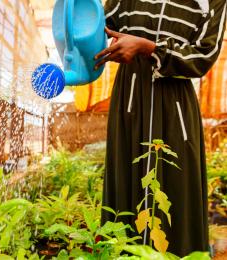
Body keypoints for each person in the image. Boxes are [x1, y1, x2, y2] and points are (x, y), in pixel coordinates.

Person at [96, 0, 227, 256]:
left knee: (176, 189)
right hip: (131, 98)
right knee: (126, 182)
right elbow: (97, 24)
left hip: (174, 103)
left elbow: (204, 55)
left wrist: (149, 48)